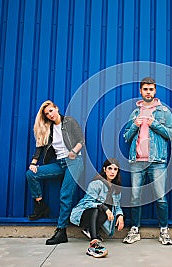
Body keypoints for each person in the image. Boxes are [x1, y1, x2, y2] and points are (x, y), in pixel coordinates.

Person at [122, 77, 172, 245]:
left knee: (160, 197)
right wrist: (134, 125)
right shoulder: (134, 113)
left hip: (157, 161)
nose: (148, 92)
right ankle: (135, 230)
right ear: (141, 91)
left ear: (155, 91)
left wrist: (155, 125)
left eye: (151, 89)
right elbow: (126, 137)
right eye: (145, 89)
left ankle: (164, 230)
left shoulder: (164, 112)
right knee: (135, 198)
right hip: (137, 161)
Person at [26, 100, 84, 245]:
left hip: (74, 162)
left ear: (56, 109)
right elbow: (40, 146)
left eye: (51, 111)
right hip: (59, 163)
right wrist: (34, 163)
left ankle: (61, 231)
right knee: (31, 174)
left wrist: (73, 151)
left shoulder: (69, 121)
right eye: (47, 114)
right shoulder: (48, 128)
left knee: (65, 195)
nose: (50, 115)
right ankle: (40, 205)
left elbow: (81, 140)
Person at [70, 158, 124, 258]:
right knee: (97, 208)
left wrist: (120, 215)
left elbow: (117, 206)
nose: (112, 172)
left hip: (98, 218)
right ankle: (93, 244)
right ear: (104, 169)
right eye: (110, 168)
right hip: (84, 215)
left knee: (105, 208)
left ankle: (91, 231)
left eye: (115, 169)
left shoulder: (116, 188)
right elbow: (87, 203)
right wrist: (104, 208)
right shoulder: (96, 183)